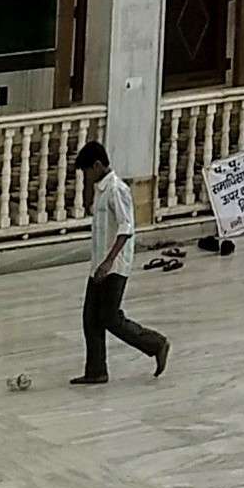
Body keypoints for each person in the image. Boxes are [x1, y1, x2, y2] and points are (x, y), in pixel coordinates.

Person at [69, 140, 168, 386]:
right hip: (99, 266)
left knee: (110, 317)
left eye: (87, 171)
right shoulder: (101, 191)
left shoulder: (116, 190)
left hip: (113, 267)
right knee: (90, 318)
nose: (86, 176)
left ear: (98, 165)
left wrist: (109, 261)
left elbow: (126, 228)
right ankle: (96, 371)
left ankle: (155, 343)